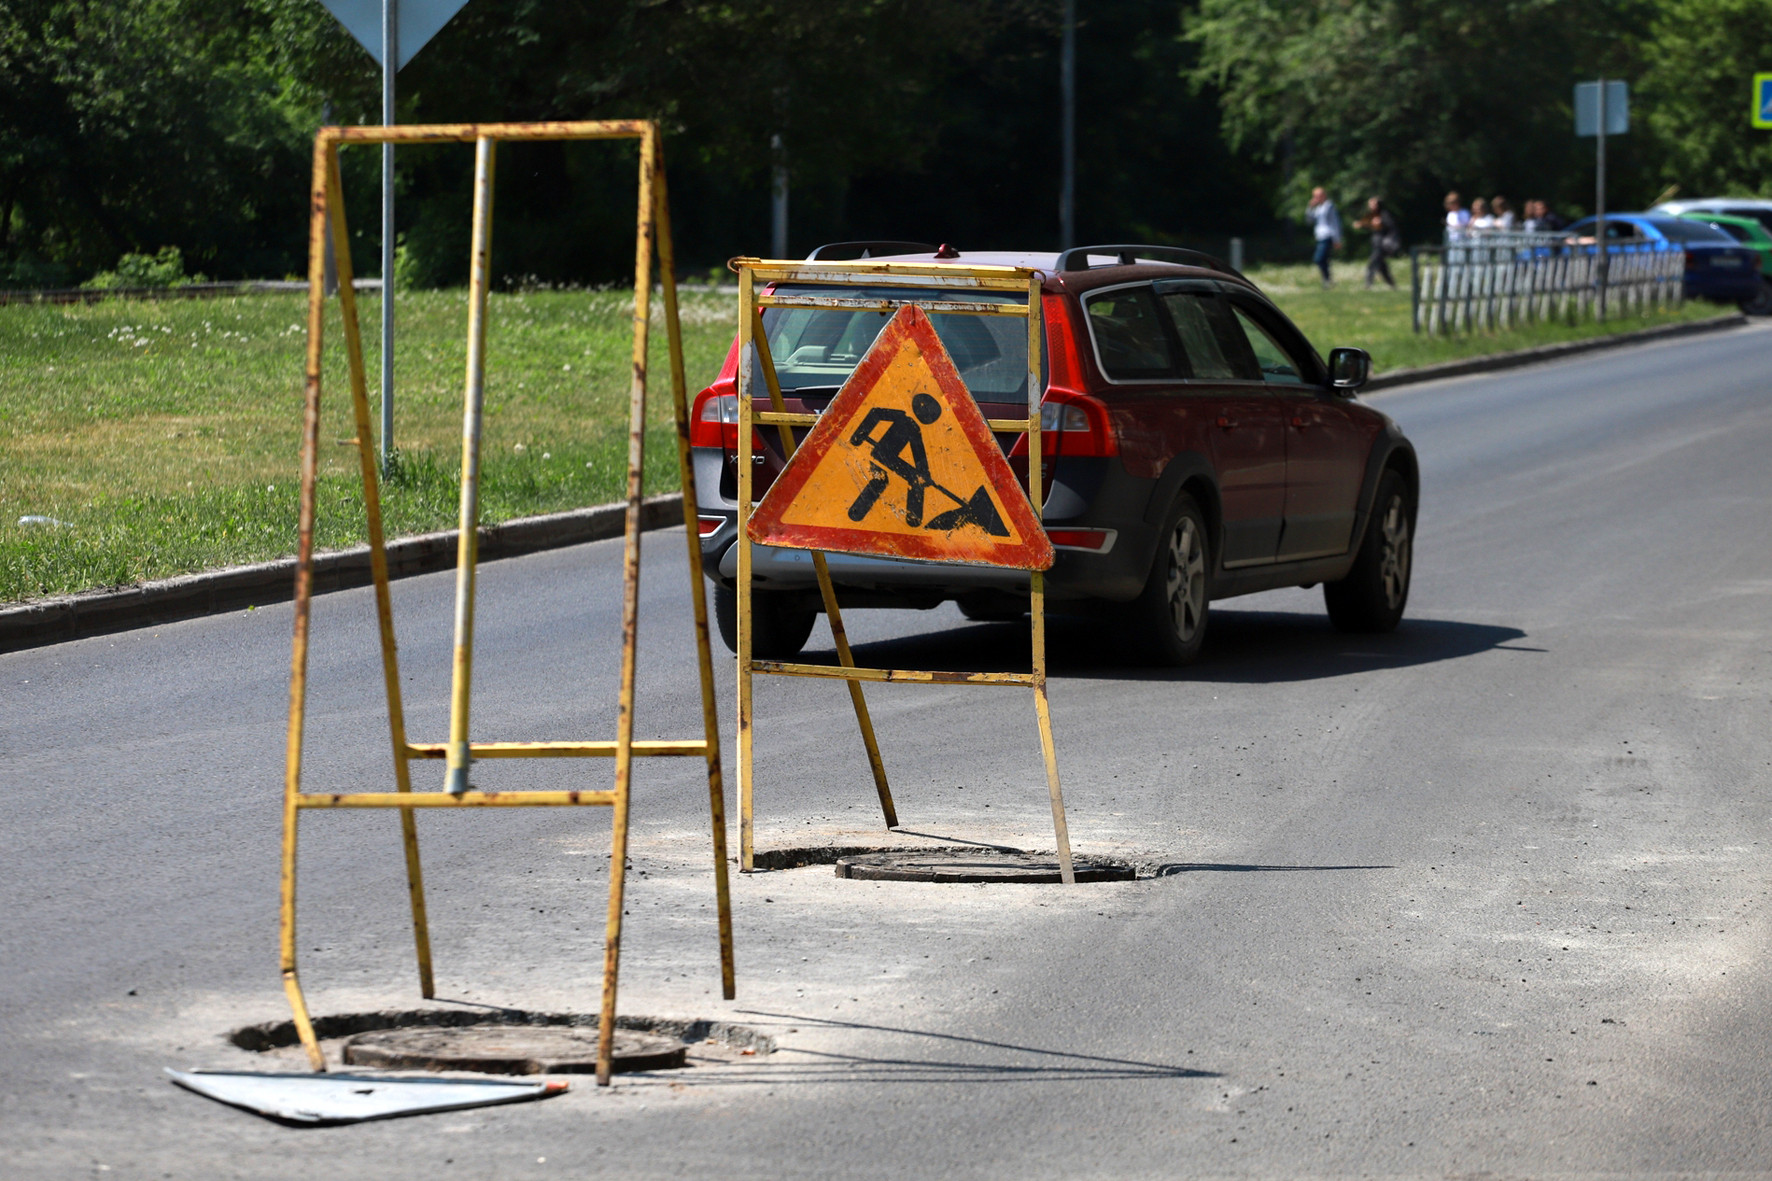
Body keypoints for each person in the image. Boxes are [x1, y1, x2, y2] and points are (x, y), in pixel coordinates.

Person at [1355, 196, 1400, 288]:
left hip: (1382, 243)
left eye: (1373, 204)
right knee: (1381, 266)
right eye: (1370, 204)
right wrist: (1360, 224)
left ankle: (1368, 283)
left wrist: (1381, 222)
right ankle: (1392, 284)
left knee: (1373, 262)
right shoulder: (1372, 215)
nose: (1371, 206)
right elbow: (1367, 223)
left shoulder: (1384, 214)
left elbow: (1391, 227)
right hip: (1376, 242)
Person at [1306, 186, 1342, 287]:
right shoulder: (1318, 208)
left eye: (1318, 196)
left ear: (1324, 195)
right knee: (1323, 260)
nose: (1316, 198)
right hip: (1320, 236)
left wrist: (1337, 239)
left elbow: (1335, 223)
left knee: (1319, 258)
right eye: (1315, 196)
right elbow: (1309, 221)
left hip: (1328, 235)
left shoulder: (1329, 206)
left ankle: (1327, 279)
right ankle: (1327, 280)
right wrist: (1310, 207)